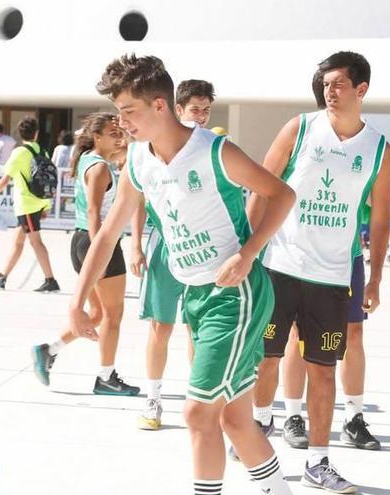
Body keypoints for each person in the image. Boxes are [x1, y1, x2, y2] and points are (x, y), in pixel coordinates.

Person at [70, 54, 295, 495]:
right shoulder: (137, 161)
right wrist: (76, 300)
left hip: (235, 293)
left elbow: (281, 194)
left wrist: (249, 253)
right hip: (194, 295)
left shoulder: (213, 151)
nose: (122, 123)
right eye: (117, 113)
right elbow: (108, 233)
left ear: (159, 105)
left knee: (196, 413)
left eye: (129, 111)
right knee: (233, 418)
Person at [247, 51, 390, 494]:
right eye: (325, 84)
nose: (329, 91)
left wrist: (375, 278)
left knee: (324, 370)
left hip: (332, 277)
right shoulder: (300, 128)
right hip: (279, 266)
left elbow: (381, 217)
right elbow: (260, 185)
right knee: (267, 359)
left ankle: (318, 462)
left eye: (338, 84)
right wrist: (248, 252)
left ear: (361, 89)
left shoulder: (379, 149)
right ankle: (258, 430)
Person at [127, 78, 216, 431]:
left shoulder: (211, 149)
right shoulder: (148, 151)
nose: (202, 117)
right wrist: (135, 244)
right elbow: (135, 198)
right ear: (177, 110)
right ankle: (153, 398)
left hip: (202, 250)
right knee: (160, 327)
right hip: (165, 247)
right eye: (195, 109)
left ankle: (199, 398)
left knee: (197, 329)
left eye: (207, 110)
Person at [31, 113, 140, 395]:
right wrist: (99, 251)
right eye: (113, 132)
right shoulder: (100, 167)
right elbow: (93, 210)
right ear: (97, 137)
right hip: (95, 240)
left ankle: (49, 349)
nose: (119, 135)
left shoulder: (88, 159)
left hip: (81, 240)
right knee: (113, 315)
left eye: (120, 131)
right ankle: (106, 377)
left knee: (96, 313)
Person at [0, 117, 60, 293]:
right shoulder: (42, 151)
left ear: (20, 134)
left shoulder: (19, 153)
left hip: (26, 204)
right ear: (37, 133)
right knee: (18, 242)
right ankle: (2, 277)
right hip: (38, 202)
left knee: (36, 242)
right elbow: (48, 178)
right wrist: (46, 206)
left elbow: (5, 179)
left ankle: (50, 279)